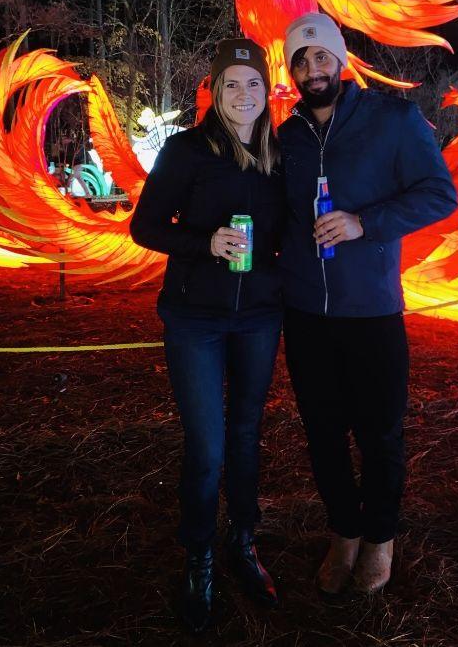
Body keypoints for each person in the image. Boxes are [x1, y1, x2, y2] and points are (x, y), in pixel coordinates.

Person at [278, 12, 458, 596]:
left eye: (320, 57)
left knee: (379, 433)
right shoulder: (289, 137)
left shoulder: (393, 119)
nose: (312, 70)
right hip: (305, 313)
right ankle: (344, 532)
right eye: (300, 62)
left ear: (341, 59)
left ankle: (381, 537)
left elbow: (439, 194)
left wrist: (366, 223)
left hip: (372, 312)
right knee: (323, 431)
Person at [130, 39, 283, 633]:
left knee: (246, 436)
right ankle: (198, 556)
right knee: (208, 444)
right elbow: (145, 226)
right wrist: (206, 243)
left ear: (268, 94)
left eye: (253, 85)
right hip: (195, 319)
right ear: (215, 93)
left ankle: (242, 544)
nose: (244, 96)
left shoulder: (279, 154)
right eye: (231, 85)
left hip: (260, 317)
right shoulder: (186, 150)